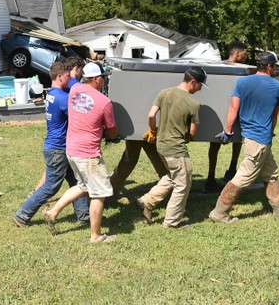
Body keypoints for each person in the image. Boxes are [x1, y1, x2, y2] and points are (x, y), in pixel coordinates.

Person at [209, 51, 279, 224]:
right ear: (268, 66)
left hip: (250, 136)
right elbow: (274, 116)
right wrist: (270, 132)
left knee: (271, 172)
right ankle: (219, 212)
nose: (276, 69)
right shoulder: (277, 87)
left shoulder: (242, 82)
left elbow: (233, 109)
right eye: (275, 66)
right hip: (261, 138)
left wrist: (228, 131)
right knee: (244, 176)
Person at [43, 62, 119, 243]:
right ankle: (96, 235)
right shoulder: (104, 102)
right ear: (95, 79)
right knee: (99, 193)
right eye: (103, 77)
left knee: (82, 185)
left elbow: (69, 80)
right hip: (89, 154)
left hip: (71, 150)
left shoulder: (75, 89)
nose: (104, 80)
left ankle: (52, 212)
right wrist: (113, 136)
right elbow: (112, 130)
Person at [13, 62, 89, 228]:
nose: (70, 80)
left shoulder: (52, 94)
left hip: (57, 146)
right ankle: (22, 215)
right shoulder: (63, 98)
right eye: (68, 77)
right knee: (50, 186)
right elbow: (79, 116)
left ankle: (84, 217)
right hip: (58, 149)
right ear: (60, 76)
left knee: (77, 181)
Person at [136, 67, 206, 229]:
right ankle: (172, 222)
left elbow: (151, 115)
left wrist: (153, 130)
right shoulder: (193, 104)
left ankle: (146, 201)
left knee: (172, 175)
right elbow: (193, 132)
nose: (201, 88)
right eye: (200, 85)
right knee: (183, 184)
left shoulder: (165, 92)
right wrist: (188, 134)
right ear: (192, 82)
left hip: (161, 144)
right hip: (176, 149)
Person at [204, 40, 248, 192]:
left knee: (237, 141)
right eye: (244, 53)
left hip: (236, 111)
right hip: (223, 112)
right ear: (237, 53)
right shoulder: (219, 67)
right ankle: (211, 177)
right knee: (215, 144)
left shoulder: (243, 69)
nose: (245, 56)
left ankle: (231, 170)